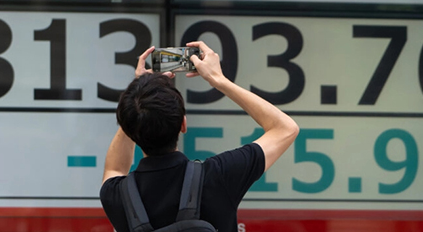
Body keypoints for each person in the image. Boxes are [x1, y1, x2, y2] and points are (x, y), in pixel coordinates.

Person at [100, 41, 299, 232]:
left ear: (128, 129)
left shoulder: (117, 196)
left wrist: (138, 93)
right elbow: (285, 128)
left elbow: (115, 167)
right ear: (183, 125)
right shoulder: (218, 176)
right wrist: (218, 79)